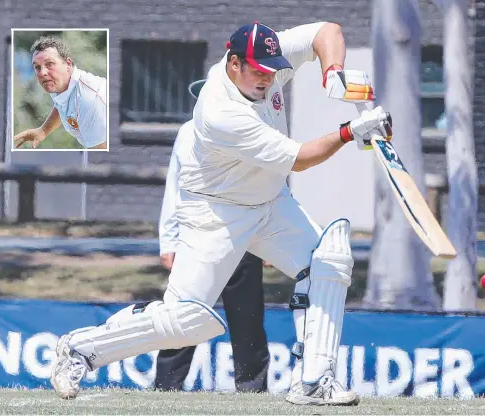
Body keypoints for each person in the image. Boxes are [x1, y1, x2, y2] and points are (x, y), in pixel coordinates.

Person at [50, 21, 391, 406]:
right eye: (259, 72)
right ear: (234, 65)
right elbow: (298, 160)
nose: (268, 78)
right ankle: (80, 348)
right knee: (186, 323)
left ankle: (314, 381)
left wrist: (333, 73)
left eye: (272, 70)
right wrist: (349, 132)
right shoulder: (220, 111)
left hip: (271, 203)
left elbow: (326, 32)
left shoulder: (267, 59)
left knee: (328, 261)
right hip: (216, 214)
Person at [154, 76, 269, 393]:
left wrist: (270, 241)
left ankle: (253, 390)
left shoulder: (254, 131)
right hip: (199, 238)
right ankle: (166, 388)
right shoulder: (189, 132)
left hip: (243, 239)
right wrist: (170, 240)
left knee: (248, 322)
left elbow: (271, 185)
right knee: (183, 318)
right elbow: (174, 187)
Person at [13, 36, 107, 150]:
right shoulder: (62, 85)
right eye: (37, 67)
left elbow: (104, 156)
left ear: (68, 64)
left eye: (49, 64)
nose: (42, 72)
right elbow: (61, 104)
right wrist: (43, 130)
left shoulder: (88, 101)